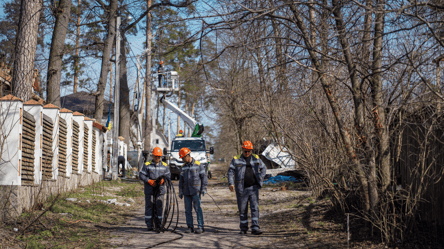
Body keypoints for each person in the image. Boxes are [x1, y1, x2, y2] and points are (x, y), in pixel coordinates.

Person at [227, 140, 266, 235]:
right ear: (242, 149)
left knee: (255, 208)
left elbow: (264, 168)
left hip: (253, 188)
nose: (247, 153)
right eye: (245, 151)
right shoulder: (236, 159)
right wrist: (231, 183)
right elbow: (230, 172)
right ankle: (243, 228)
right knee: (243, 209)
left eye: (249, 151)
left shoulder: (256, 158)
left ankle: (255, 228)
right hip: (241, 189)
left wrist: (260, 179)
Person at [139, 147, 171, 232]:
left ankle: (159, 224)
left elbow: (168, 176)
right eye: (156, 156)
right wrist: (149, 180)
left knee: (159, 206)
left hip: (160, 190)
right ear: (153, 156)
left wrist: (163, 180)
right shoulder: (147, 165)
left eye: (159, 156)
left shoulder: (164, 166)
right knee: (149, 206)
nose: (157, 158)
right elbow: (141, 175)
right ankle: (149, 225)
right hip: (149, 190)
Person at [178, 147, 207, 234]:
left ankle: (201, 226)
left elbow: (204, 178)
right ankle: (190, 227)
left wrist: (203, 188)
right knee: (188, 210)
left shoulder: (198, 165)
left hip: (196, 192)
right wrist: (180, 191)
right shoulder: (183, 167)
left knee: (198, 209)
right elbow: (181, 180)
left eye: (183, 158)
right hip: (186, 192)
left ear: (187, 156)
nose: (182, 160)